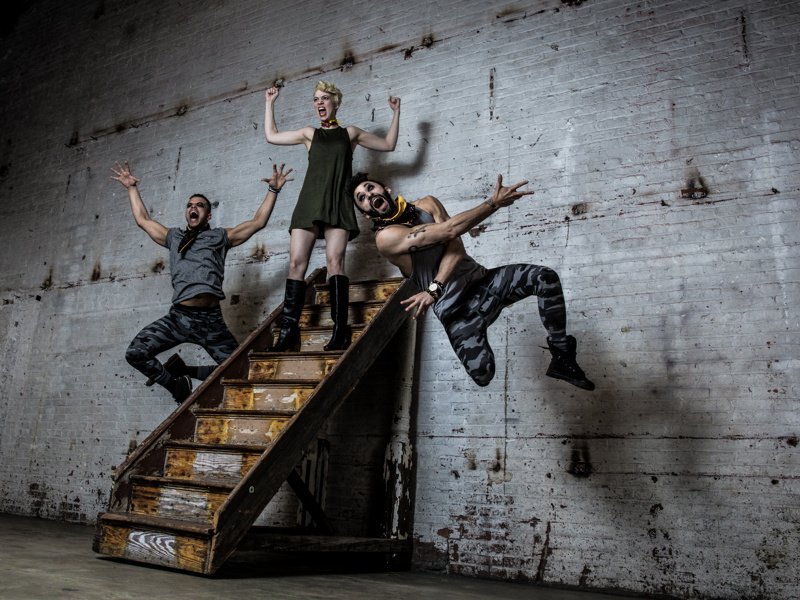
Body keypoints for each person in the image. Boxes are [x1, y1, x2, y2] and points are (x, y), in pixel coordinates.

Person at [347, 172, 595, 390]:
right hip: (456, 311)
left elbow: (455, 244)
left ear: (386, 190)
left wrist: (435, 286)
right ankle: (478, 326)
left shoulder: (428, 203)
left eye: (370, 188)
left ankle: (562, 355)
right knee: (483, 374)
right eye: (362, 199)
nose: (368, 196)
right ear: (367, 214)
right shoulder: (386, 238)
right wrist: (492, 204)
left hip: (484, 282)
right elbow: (448, 231)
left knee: (544, 277)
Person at [111, 161, 294, 403]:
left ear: (208, 214)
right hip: (178, 318)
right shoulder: (173, 237)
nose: (193, 208)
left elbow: (257, 222)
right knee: (136, 353)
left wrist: (273, 190)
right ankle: (175, 383)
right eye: (189, 205)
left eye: (199, 205)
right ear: (186, 212)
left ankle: (186, 372)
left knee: (241, 372)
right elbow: (143, 220)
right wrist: (132, 188)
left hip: (211, 322)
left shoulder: (219, 237)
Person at [264, 81, 401, 351]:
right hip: (309, 202)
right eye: (315, 99)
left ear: (336, 102)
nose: (319, 103)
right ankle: (289, 334)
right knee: (295, 264)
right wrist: (269, 102)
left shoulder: (349, 133)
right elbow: (271, 135)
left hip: (338, 203)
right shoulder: (308, 134)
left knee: (334, 262)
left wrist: (396, 113)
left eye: (324, 98)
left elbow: (388, 144)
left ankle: (340, 331)